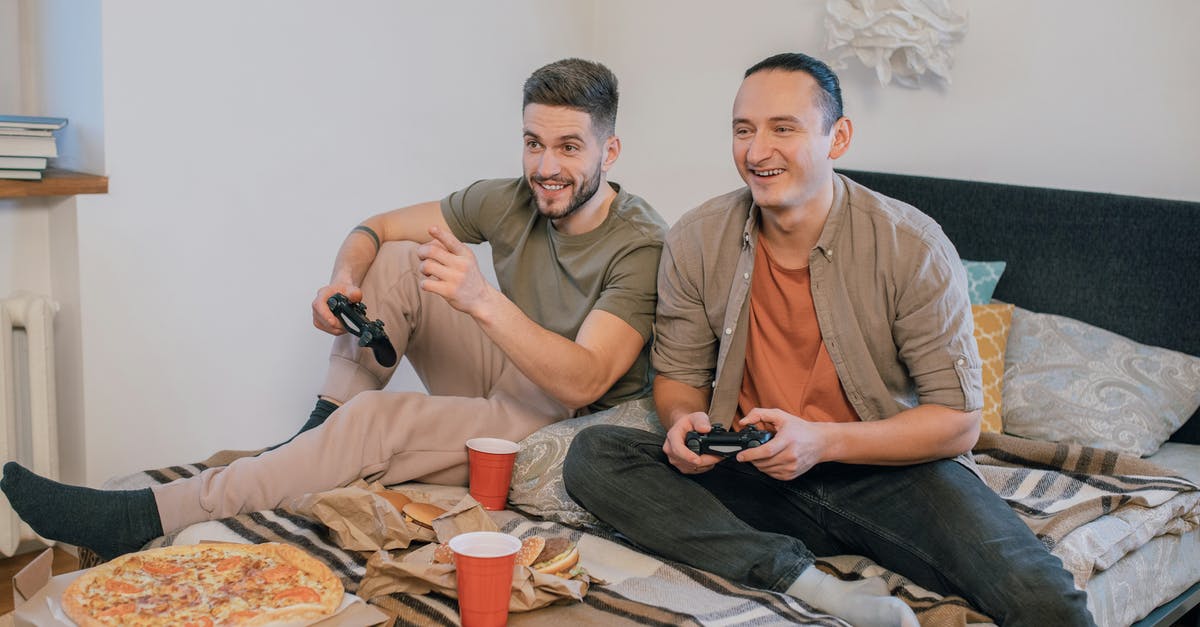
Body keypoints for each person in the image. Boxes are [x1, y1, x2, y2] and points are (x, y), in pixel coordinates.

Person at [2, 58, 667, 562]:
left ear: (609, 151)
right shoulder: (512, 196)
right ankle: (319, 428)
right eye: (532, 143)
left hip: (570, 420)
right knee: (401, 258)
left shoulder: (638, 241)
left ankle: (145, 514)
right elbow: (375, 226)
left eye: (568, 148)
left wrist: (481, 299)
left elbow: (583, 378)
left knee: (378, 419)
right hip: (514, 370)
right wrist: (342, 281)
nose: (545, 166)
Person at [562, 52, 1094, 627]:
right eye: (744, 130)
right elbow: (679, 379)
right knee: (596, 455)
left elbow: (958, 421)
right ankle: (810, 584)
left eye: (783, 129)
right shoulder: (696, 238)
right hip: (753, 467)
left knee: (1043, 599)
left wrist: (822, 441)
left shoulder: (911, 245)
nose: (757, 151)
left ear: (837, 137)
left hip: (888, 475)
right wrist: (685, 421)